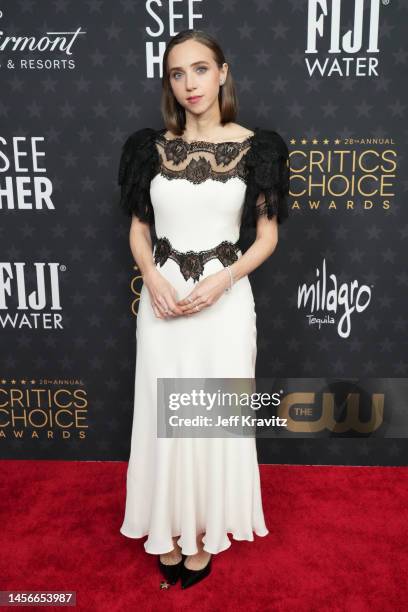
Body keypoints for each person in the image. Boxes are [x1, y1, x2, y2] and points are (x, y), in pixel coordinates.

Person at [118, 28, 290, 589]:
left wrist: (225, 280)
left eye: (199, 69)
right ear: (168, 83)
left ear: (222, 73)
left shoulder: (259, 146)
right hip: (163, 301)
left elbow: (266, 238)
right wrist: (149, 277)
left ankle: (205, 531)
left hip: (224, 300)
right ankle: (167, 528)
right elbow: (139, 230)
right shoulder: (148, 148)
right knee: (164, 420)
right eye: (176, 73)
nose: (189, 83)